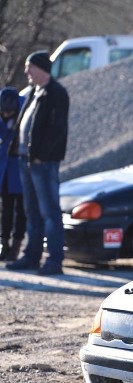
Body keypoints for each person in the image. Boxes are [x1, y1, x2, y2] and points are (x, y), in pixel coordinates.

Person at [7, 51, 69, 275]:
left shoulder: (56, 93)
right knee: (31, 211)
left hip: (43, 163)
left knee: (49, 211)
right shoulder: (34, 92)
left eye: (29, 67)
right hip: (26, 160)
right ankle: (31, 257)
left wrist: (41, 155)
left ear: (41, 68)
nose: (26, 72)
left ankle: (54, 260)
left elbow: (57, 129)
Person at [0, 87, 25, 261]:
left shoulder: (24, 111)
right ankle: (4, 243)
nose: (6, 114)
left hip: (22, 168)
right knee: (6, 208)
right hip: (5, 168)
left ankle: (17, 245)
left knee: (22, 209)